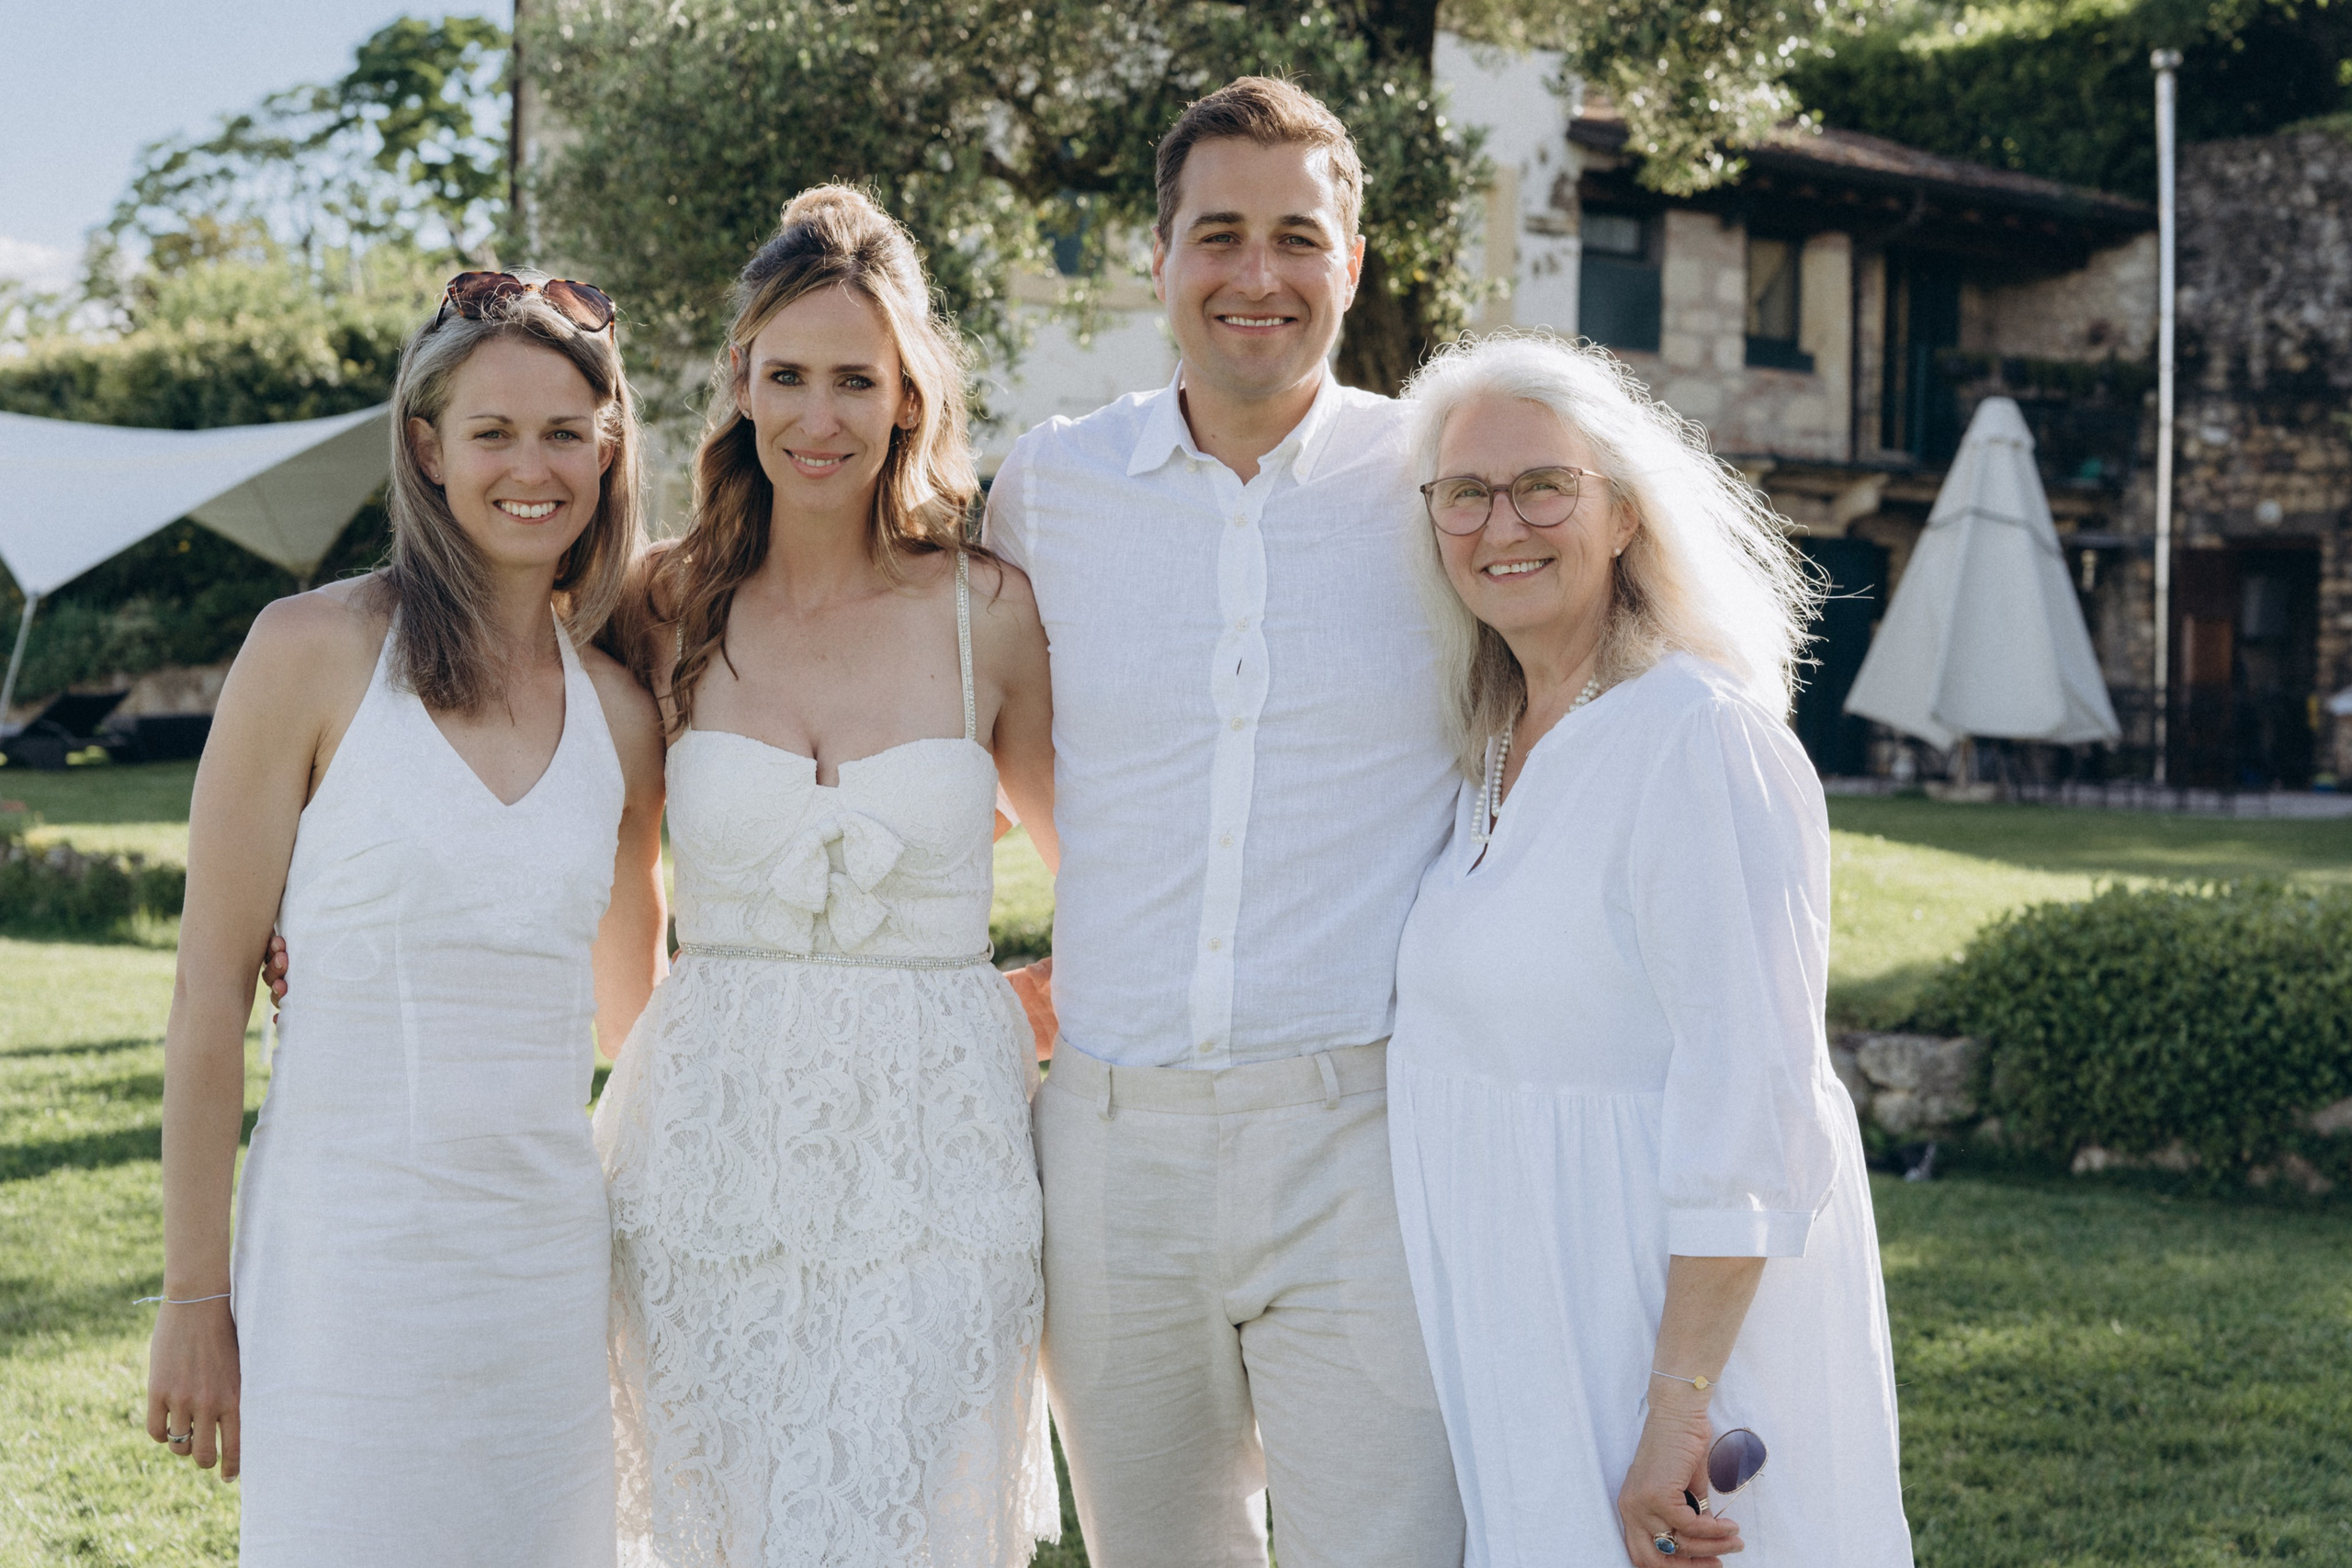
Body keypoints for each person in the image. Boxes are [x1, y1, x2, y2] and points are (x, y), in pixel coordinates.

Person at [984, 78, 1464, 1568]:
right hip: (1113, 1151)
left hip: (1370, 1142)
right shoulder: (1048, 488)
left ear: (1354, 264)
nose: (1258, 276)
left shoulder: (1446, 485)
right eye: (1220, 235)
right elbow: (971, 722)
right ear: (1158, 257)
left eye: (1297, 238)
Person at [143, 271, 669, 1566]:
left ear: (607, 453)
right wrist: (192, 1299)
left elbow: (637, 1021)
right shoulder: (310, 650)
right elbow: (209, 994)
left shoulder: (622, 716)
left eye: (564, 433)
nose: (530, 466)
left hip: (547, 1282)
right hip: (343, 1266)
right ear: (427, 448)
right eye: (492, 432)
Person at [1385, 333, 1914, 1568]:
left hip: (1669, 1342)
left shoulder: (1694, 738)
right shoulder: (1492, 743)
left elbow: (1755, 1102)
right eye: (1464, 492)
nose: (1500, 522)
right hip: (1534, 1321)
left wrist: (1676, 1407)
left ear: (1622, 511)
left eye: (1543, 485)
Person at [591, 186, 1060, 1568]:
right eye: (786, 375)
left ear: (909, 396)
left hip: (942, 1158)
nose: (819, 417)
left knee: (911, 1510)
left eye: (857, 379)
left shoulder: (991, 613)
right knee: (717, 1518)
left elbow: (1097, 867)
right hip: (704, 1145)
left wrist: (1030, 1002)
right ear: (739, 384)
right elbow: (621, 886)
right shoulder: (663, 605)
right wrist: (657, 1083)